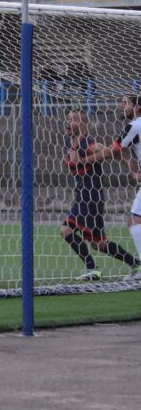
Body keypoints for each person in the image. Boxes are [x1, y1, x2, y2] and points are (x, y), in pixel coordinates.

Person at [67, 95, 141, 280]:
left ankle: (92, 269)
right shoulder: (71, 144)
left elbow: (112, 151)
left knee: (66, 230)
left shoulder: (89, 144)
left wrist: (83, 161)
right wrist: (134, 170)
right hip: (83, 194)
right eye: (68, 119)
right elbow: (120, 153)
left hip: (90, 195)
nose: (68, 122)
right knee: (99, 243)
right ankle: (135, 264)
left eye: (73, 119)